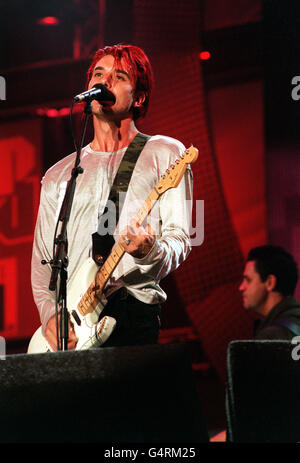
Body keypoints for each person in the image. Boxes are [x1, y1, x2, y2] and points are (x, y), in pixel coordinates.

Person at [31, 44, 193, 351]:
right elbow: (42, 264)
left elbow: (182, 238)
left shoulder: (164, 153)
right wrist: (50, 315)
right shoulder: (59, 174)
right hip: (73, 327)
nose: (104, 82)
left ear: (139, 97)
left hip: (132, 316)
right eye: (98, 73)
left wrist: (150, 249)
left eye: (118, 76)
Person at [239, 244, 300, 339]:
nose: (241, 287)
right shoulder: (295, 318)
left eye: (248, 280)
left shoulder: (270, 337)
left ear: (270, 283)